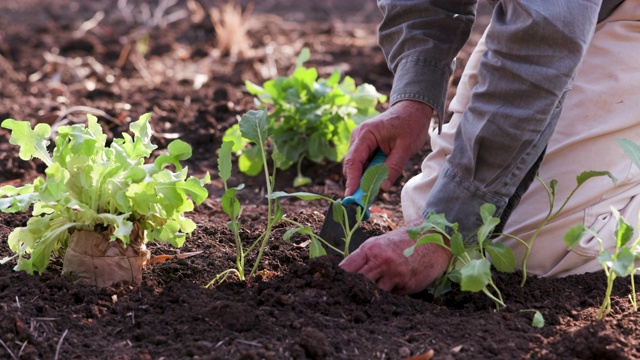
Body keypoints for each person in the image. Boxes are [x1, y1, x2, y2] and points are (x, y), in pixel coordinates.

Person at [339, 0, 640, 295]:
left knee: (530, 249)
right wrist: (413, 98)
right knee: (427, 208)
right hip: (546, 14)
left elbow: (547, 39)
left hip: (581, 17)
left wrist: (445, 228)